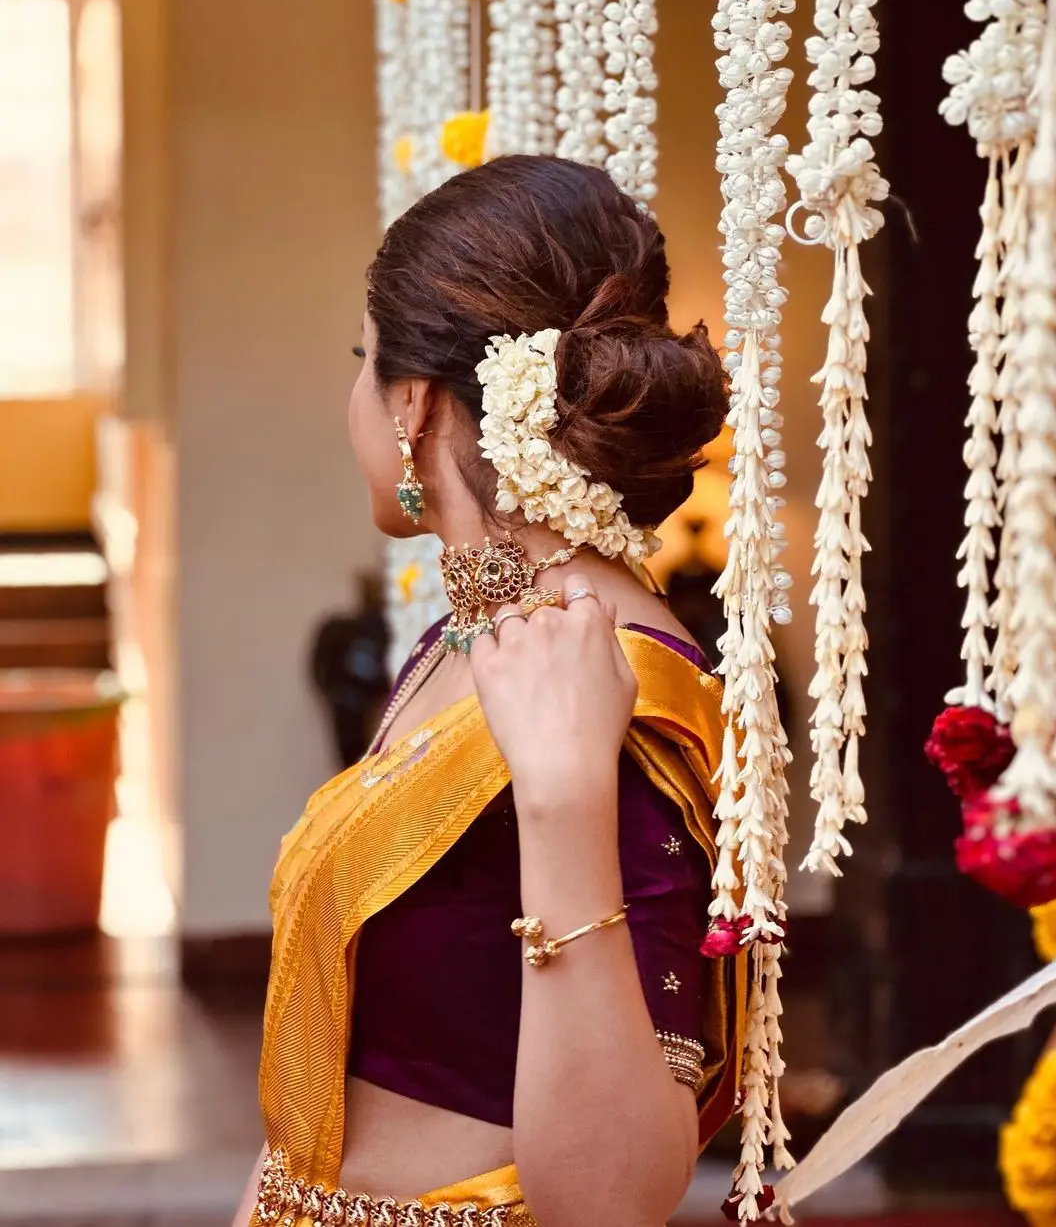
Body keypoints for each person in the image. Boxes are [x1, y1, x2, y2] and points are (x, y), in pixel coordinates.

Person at [235, 155, 747, 1227]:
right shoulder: (476, 628)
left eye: (362, 360)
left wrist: (562, 804)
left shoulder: (609, 680)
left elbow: (615, 1203)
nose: (356, 396)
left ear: (412, 401)